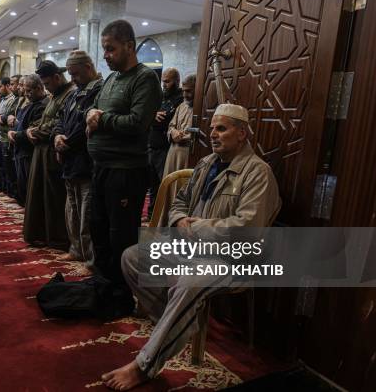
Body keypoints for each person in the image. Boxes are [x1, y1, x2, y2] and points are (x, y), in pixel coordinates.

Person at [102, 104, 282, 391]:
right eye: (211, 128)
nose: (213, 134)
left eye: (222, 128)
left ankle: (144, 365)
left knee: (189, 282)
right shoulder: (206, 164)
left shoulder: (258, 172)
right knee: (133, 257)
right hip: (193, 249)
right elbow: (179, 202)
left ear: (242, 133)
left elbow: (247, 228)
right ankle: (178, 325)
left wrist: (195, 227)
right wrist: (180, 219)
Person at [85, 19, 162, 285]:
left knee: (120, 234)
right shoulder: (110, 79)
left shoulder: (145, 79)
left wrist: (101, 119)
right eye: (104, 49)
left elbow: (137, 124)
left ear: (129, 46)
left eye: (110, 49)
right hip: (102, 167)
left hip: (126, 172)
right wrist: (92, 117)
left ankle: (122, 290)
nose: (105, 55)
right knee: (98, 227)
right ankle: (104, 283)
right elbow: (93, 109)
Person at [53, 51, 103, 271]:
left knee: (87, 216)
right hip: (69, 162)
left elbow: (86, 128)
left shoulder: (100, 91)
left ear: (89, 67)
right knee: (71, 210)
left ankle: (90, 260)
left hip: (86, 162)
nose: (72, 78)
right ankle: (76, 250)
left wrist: (66, 143)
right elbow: (60, 119)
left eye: (75, 73)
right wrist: (57, 136)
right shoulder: (75, 93)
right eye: (70, 74)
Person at [23, 61, 76, 250]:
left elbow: (58, 123)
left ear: (56, 78)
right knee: (42, 197)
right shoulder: (56, 94)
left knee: (53, 198)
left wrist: (35, 132)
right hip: (43, 152)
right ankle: (44, 235)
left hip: (52, 153)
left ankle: (58, 238)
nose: (46, 88)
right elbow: (46, 120)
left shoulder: (69, 93)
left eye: (46, 84)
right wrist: (33, 129)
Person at [156, 74, 196, 227]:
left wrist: (184, 136)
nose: (185, 94)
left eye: (189, 91)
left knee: (181, 192)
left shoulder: (201, 106)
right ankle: (163, 224)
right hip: (173, 153)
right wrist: (173, 132)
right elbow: (171, 126)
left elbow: (200, 132)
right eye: (184, 91)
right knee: (168, 189)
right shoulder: (182, 106)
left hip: (186, 155)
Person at [146, 68, 183, 220]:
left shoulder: (180, 99)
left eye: (167, 81)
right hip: (151, 147)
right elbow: (147, 115)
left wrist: (155, 119)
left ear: (176, 81)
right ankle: (151, 215)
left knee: (163, 186)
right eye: (163, 81)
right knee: (152, 185)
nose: (164, 85)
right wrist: (152, 116)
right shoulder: (160, 97)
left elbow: (166, 121)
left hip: (165, 150)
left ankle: (163, 217)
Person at [8, 75, 48, 206]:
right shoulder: (29, 104)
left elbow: (33, 131)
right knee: (23, 189)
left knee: (31, 192)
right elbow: (20, 125)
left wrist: (15, 135)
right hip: (21, 152)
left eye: (28, 91)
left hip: (29, 154)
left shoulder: (42, 105)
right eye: (25, 91)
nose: (26, 94)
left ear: (39, 88)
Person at [0, 77, 16, 192]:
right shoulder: (2, 99)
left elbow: (3, 119)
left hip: (5, 138)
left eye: (0, 86)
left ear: (7, 86)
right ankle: (5, 189)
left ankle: (10, 191)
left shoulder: (12, 99)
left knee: (8, 168)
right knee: (1, 166)